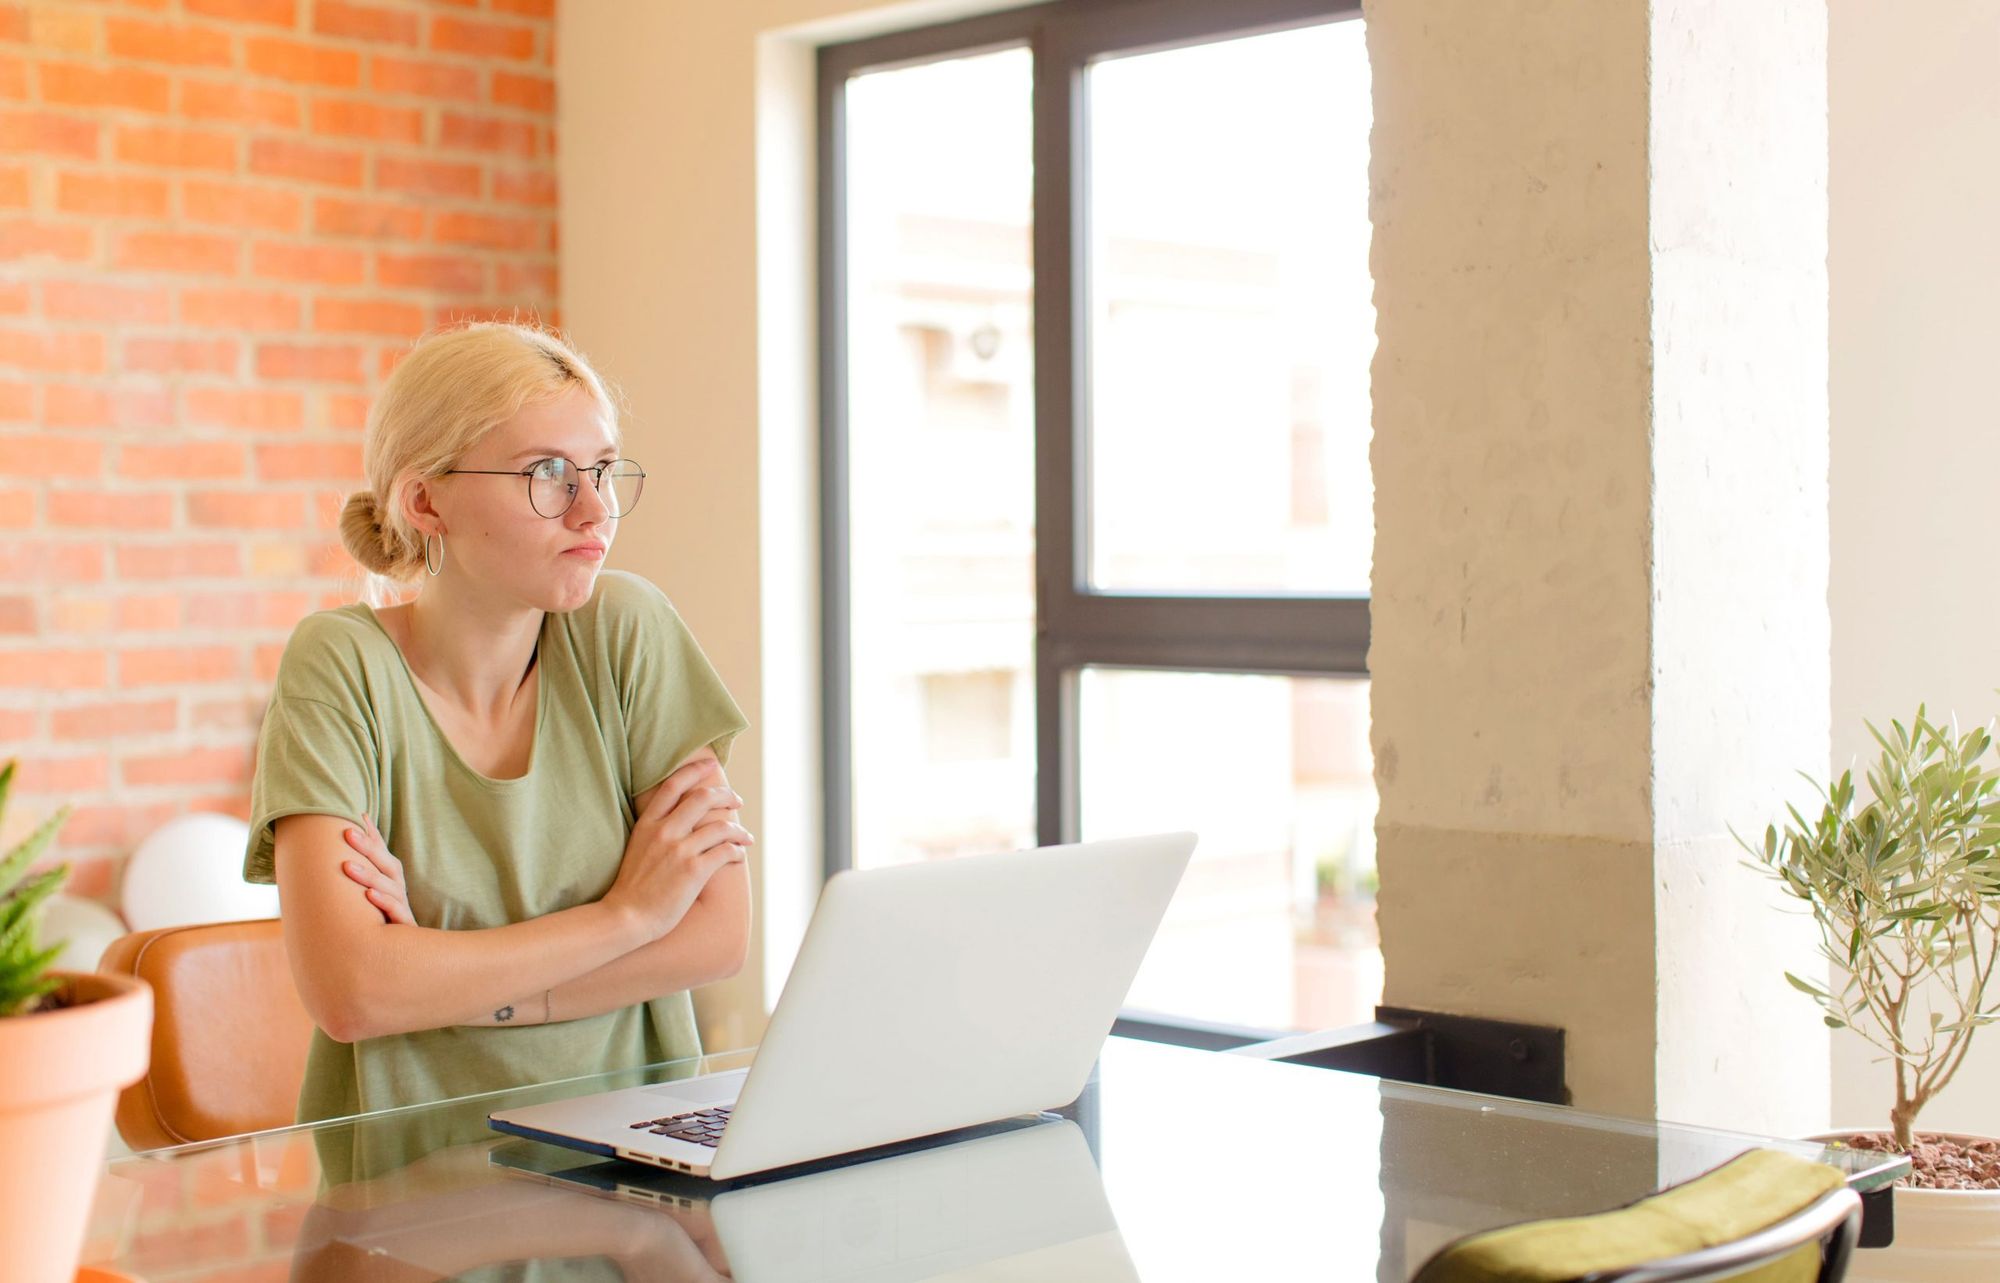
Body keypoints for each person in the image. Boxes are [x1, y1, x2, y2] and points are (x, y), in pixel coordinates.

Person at [243, 321, 753, 1124]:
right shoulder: (340, 663)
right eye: (548, 473)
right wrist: (628, 915)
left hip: (643, 1155)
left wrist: (449, 981)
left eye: (602, 469)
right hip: (420, 1177)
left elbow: (716, 935)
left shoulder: (628, 629)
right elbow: (353, 992)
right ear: (425, 500)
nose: (595, 510)